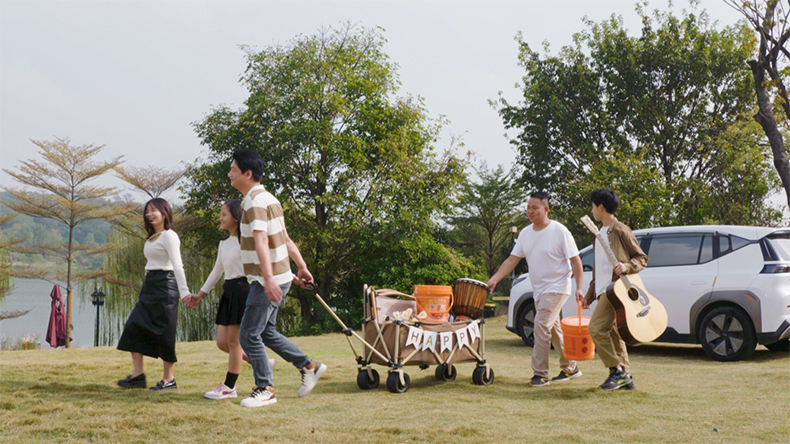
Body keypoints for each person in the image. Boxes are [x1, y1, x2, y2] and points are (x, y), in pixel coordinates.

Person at [229, 149, 326, 408]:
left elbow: (262, 239)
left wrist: (269, 279)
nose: (229, 175)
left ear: (247, 174)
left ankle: (265, 388)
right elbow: (284, 240)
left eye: (233, 170)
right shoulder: (270, 198)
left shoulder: (253, 202)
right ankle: (309, 366)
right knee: (267, 332)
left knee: (248, 335)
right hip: (277, 276)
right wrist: (300, 268)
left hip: (266, 280)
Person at [487, 191, 584, 387]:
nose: (530, 211)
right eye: (528, 207)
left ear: (546, 209)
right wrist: (495, 278)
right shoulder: (525, 233)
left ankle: (540, 374)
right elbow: (512, 260)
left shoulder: (560, 231)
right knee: (553, 328)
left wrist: (579, 288)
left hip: (558, 287)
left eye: (535, 208)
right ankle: (571, 368)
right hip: (539, 289)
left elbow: (576, 261)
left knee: (540, 324)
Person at [186, 200, 275, 400]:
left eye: (223, 214)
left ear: (235, 217)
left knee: (234, 343)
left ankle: (229, 387)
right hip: (228, 291)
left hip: (244, 290)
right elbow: (218, 270)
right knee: (222, 342)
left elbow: (264, 262)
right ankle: (260, 362)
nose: (220, 218)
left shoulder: (249, 241)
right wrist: (200, 294)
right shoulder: (224, 243)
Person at [117, 198, 191, 390]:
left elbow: (177, 265)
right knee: (133, 325)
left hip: (165, 287)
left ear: (164, 213)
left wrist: (184, 293)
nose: (149, 214)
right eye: (147, 211)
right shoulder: (151, 238)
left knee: (165, 333)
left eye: (153, 210)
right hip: (149, 286)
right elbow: (150, 265)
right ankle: (137, 375)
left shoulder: (169, 235)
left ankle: (169, 379)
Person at [580, 188, 648, 390]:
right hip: (603, 291)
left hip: (616, 290)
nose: (592, 210)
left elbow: (642, 258)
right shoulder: (597, 234)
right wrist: (590, 296)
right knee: (612, 333)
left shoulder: (620, 230)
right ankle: (625, 376)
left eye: (593, 206)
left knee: (595, 329)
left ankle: (615, 370)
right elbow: (598, 270)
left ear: (601, 207)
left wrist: (626, 266)